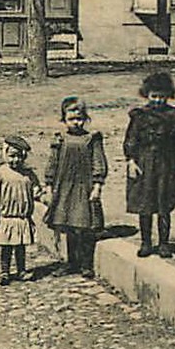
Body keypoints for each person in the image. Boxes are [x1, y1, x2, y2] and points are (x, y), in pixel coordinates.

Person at [123, 71, 175, 258]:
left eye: (162, 96)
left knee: (165, 204)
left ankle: (164, 243)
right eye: (154, 96)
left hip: (167, 163)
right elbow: (131, 139)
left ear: (168, 95)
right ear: (146, 95)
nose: (158, 100)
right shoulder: (139, 117)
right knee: (144, 204)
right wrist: (131, 160)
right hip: (144, 163)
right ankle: (146, 242)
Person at [44, 96, 108, 277]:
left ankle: (86, 264)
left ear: (86, 118)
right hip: (64, 187)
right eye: (71, 119)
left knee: (84, 226)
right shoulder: (60, 139)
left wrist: (97, 186)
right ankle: (72, 262)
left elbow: (98, 162)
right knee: (69, 226)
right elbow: (52, 163)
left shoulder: (91, 139)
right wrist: (49, 185)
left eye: (79, 119)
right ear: (64, 119)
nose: (76, 123)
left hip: (84, 187)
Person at [0, 135, 44, 285]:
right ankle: (4, 271)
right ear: (5, 154)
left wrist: (38, 193)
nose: (15, 160)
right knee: (6, 247)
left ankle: (21, 270)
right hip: (7, 217)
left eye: (19, 156)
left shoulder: (28, 175)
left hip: (22, 218)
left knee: (20, 246)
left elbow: (35, 188)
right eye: (12, 156)